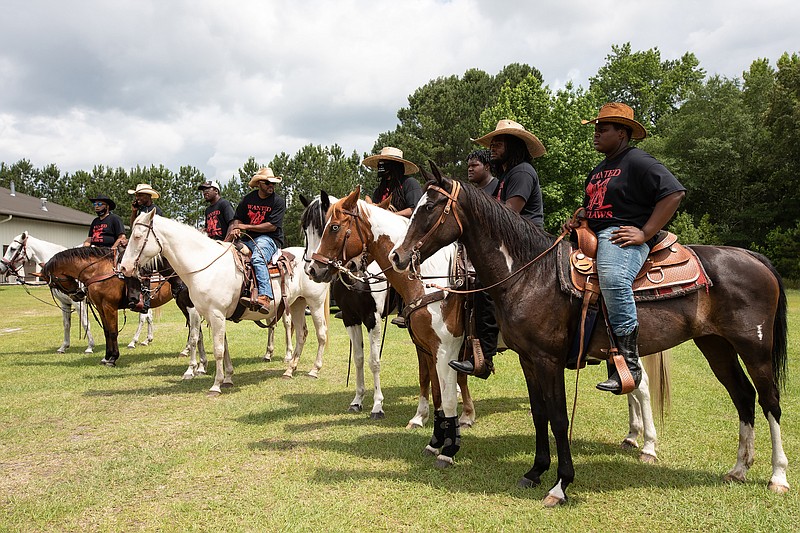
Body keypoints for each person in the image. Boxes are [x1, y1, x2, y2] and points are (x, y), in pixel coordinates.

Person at [574, 102, 686, 394]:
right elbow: (595, 206)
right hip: (594, 234)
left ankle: (629, 363)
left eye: (603, 129)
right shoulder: (599, 169)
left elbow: (673, 192)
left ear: (622, 133)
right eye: (596, 128)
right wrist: (581, 217)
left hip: (621, 237)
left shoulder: (638, 161)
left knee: (612, 277)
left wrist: (645, 232)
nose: (596, 133)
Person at [450, 119, 546, 379]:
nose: (492, 147)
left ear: (513, 145)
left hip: (528, 246)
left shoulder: (522, 172)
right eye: (492, 143)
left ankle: (485, 356)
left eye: (498, 142)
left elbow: (510, 215)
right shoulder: (507, 176)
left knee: (484, 288)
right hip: (512, 244)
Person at [363, 146, 422, 326]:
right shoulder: (380, 188)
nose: (381, 167)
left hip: (407, 234)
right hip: (384, 237)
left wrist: (391, 217)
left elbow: (415, 209)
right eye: (380, 163)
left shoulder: (409, 184)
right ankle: (358, 302)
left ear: (395, 165)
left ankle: (406, 306)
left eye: (384, 163)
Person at [228, 167, 286, 313]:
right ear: (259, 183)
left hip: (270, 239)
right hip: (249, 239)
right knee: (227, 254)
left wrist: (244, 226)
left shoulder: (278, 202)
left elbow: (272, 226)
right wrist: (235, 227)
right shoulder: (248, 199)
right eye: (267, 183)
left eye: (273, 183)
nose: (271, 186)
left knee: (258, 259)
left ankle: (265, 296)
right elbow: (237, 217)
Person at [126, 183, 164, 312]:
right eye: (137, 196)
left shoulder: (156, 210)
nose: (138, 198)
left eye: (140, 195)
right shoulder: (140, 210)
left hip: (152, 248)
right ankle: (132, 297)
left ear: (148, 196)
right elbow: (133, 226)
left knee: (145, 270)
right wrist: (134, 211)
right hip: (140, 247)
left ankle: (146, 302)